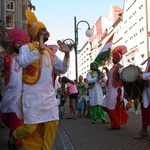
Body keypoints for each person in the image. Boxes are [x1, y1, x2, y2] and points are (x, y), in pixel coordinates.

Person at [10, 9, 70, 150]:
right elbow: (22, 62)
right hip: (32, 96)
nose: (46, 32)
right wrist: (38, 51)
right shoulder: (27, 48)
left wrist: (67, 55)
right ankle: (14, 136)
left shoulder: (50, 52)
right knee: (30, 128)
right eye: (42, 30)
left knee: (53, 123)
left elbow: (61, 68)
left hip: (48, 96)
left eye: (46, 30)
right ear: (35, 33)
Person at [0, 28, 30, 150]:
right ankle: (12, 139)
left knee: (16, 117)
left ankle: (13, 141)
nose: (21, 45)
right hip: (8, 92)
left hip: (21, 93)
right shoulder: (8, 58)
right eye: (18, 43)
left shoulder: (26, 59)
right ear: (13, 45)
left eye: (22, 43)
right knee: (8, 116)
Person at [102, 46, 129, 130]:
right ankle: (115, 123)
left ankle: (116, 124)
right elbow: (109, 78)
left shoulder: (120, 68)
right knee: (105, 105)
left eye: (114, 58)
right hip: (110, 91)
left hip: (117, 91)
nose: (113, 59)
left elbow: (125, 75)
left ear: (118, 59)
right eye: (113, 57)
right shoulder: (112, 68)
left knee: (113, 107)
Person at [133, 59, 150, 139]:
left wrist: (142, 76)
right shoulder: (148, 61)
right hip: (146, 90)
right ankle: (144, 131)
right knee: (144, 108)